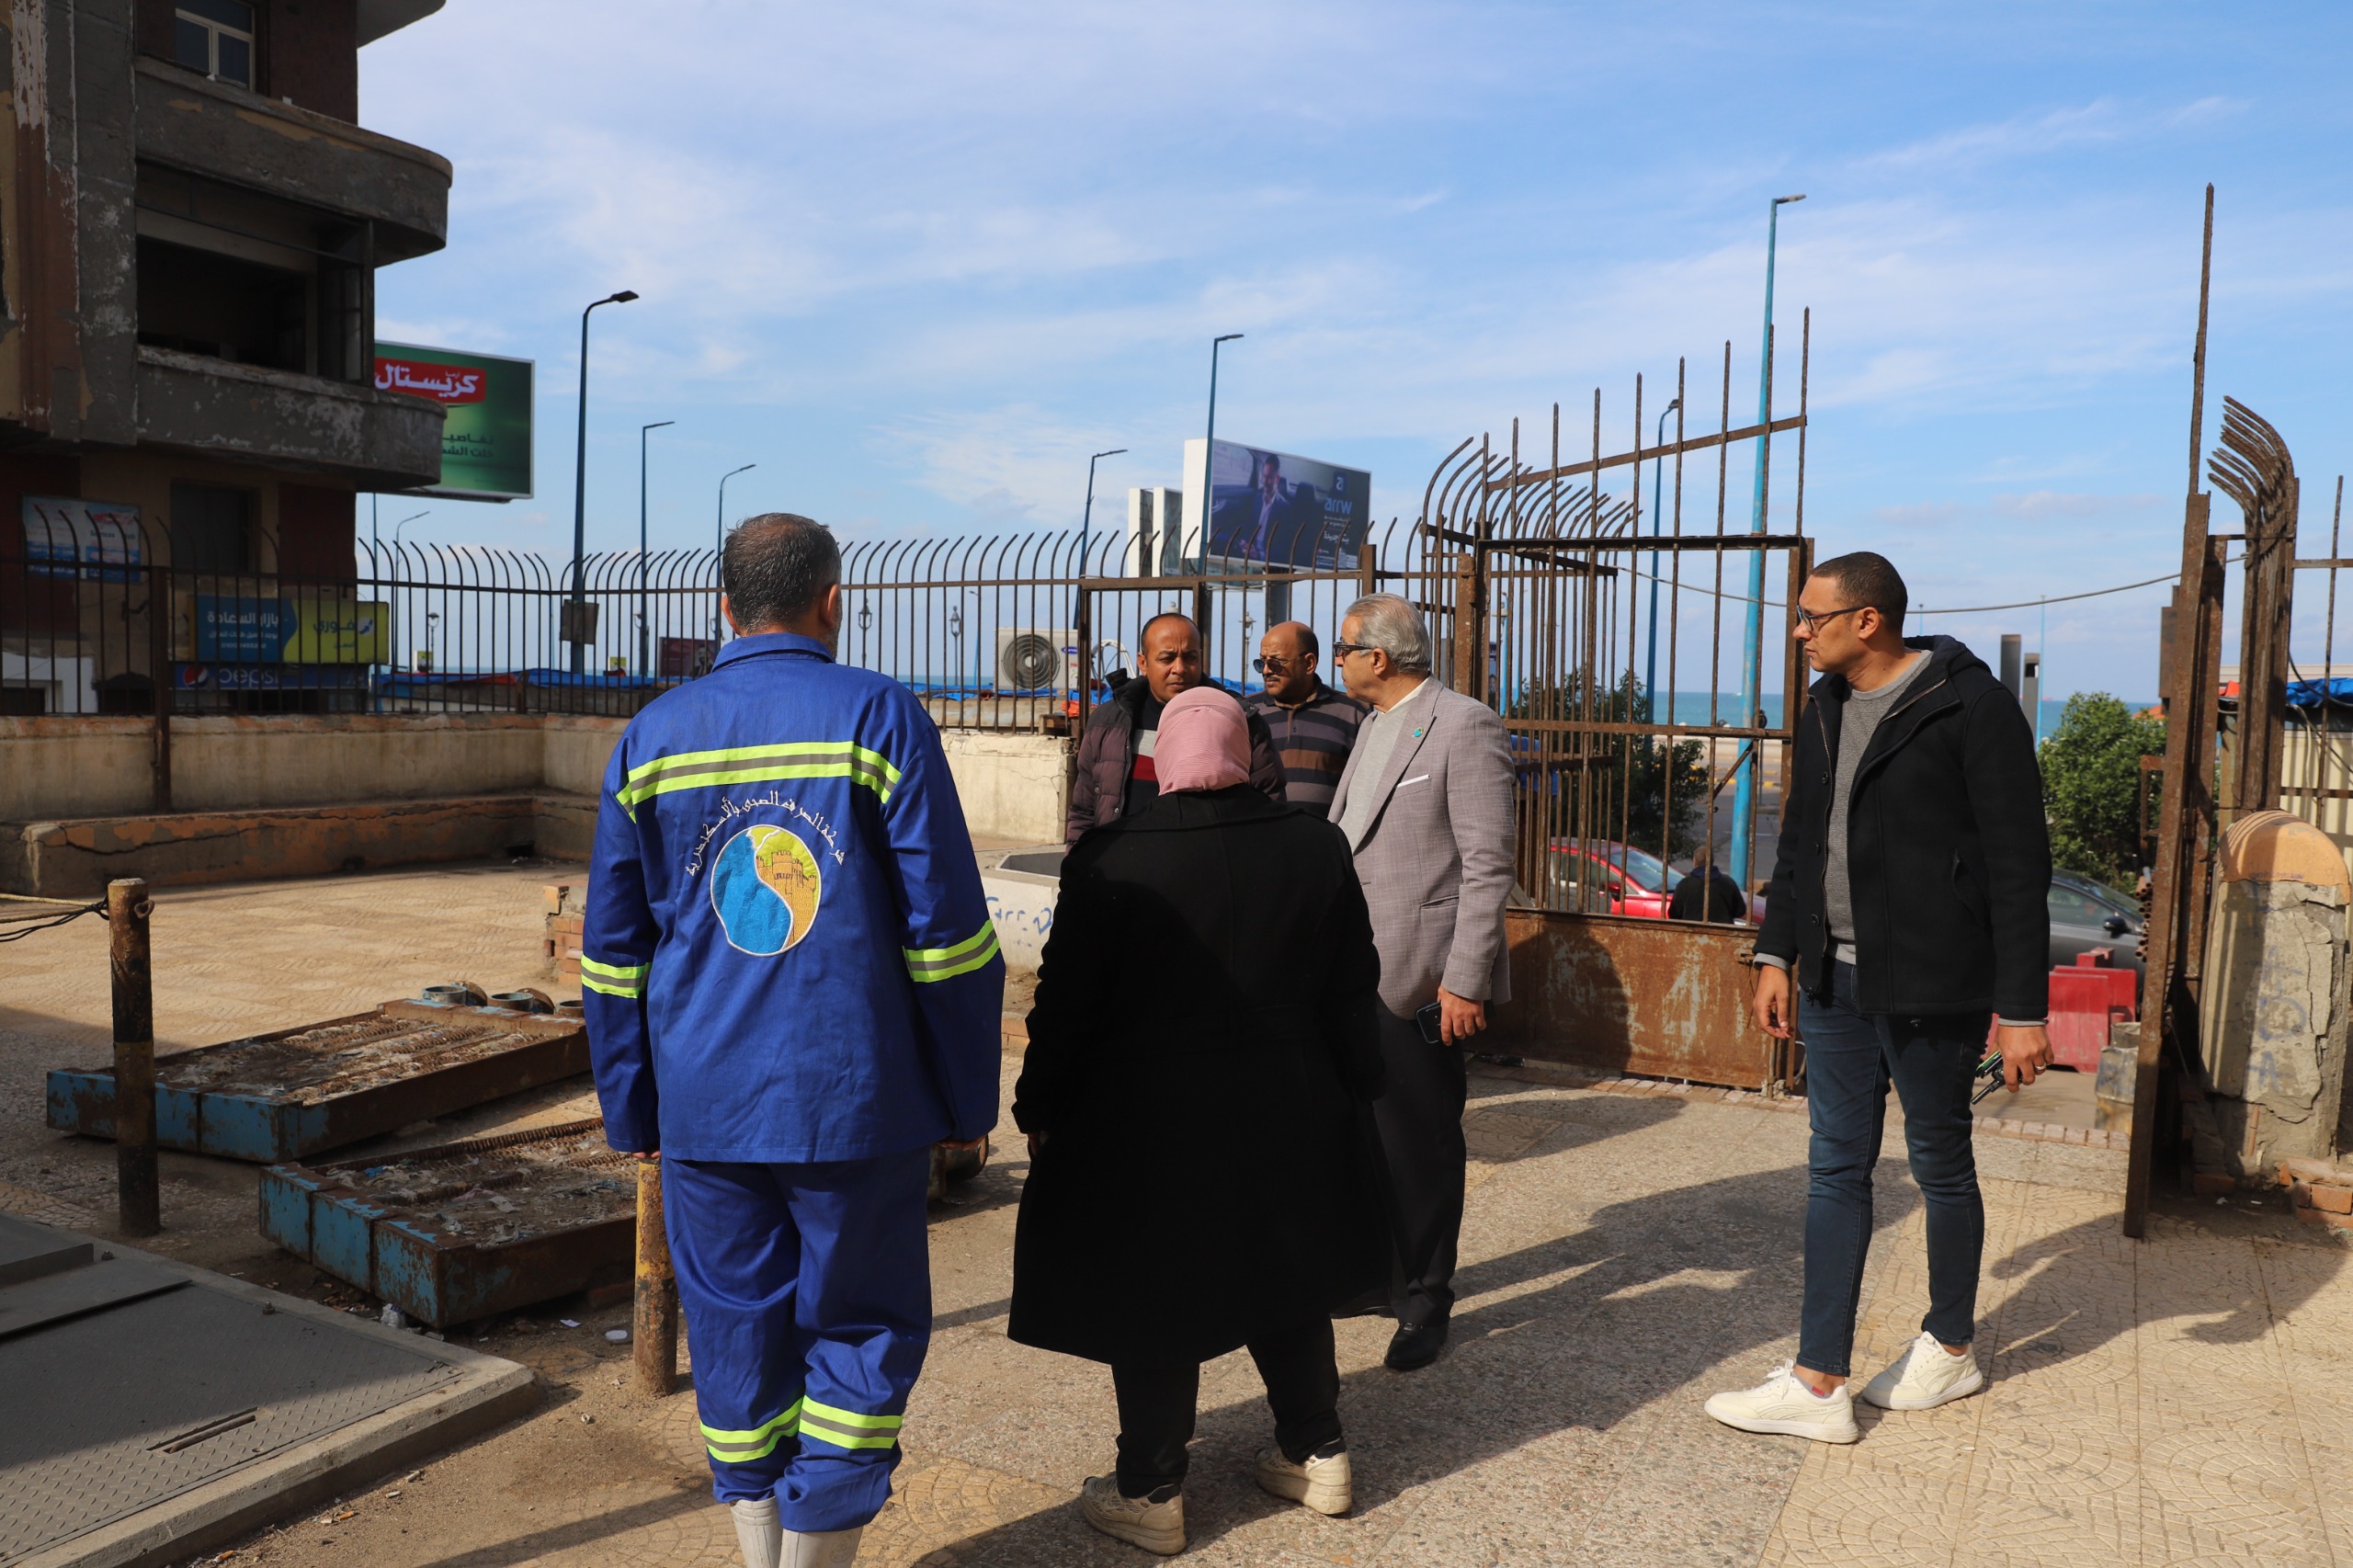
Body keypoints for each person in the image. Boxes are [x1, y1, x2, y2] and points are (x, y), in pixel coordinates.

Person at [582, 514, 1005, 1568]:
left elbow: (612, 955)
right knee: (860, 1329)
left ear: (723, 606)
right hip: (854, 1099)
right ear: (832, 600)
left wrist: (633, 1109)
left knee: (734, 1335)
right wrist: (965, 1097)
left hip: (704, 1107)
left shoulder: (650, 737)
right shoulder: (879, 715)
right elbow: (949, 936)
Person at [1010, 686, 1388, 1556]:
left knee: (1157, 1289)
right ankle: (1317, 1449)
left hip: (1150, 1112)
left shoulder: (1113, 856)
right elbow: (1351, 983)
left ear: (1165, 756)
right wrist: (1361, 1085)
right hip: (1291, 1097)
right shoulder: (1316, 844)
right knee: (1286, 1263)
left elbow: (1065, 1008)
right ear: (1245, 753)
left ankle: (1151, 1489)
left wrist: (1040, 1107)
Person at [1706, 551, 2051, 1446]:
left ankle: (1951, 1344)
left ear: (1867, 621)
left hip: (1935, 981)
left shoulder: (1970, 706)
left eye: (1810, 617)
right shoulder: (1823, 704)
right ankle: (1819, 1379)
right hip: (1832, 978)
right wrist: (1777, 952)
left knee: (1939, 1160)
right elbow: (1800, 841)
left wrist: (2023, 1010)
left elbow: (2019, 866)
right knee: (1834, 1165)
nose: (1797, 631)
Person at [1327, 593, 1515, 1372]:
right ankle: (1378, 1276)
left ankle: (1426, 1299)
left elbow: (1488, 865)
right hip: (1351, 972)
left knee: (1422, 1146)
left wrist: (1464, 982)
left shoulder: (1465, 725)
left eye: (1343, 647)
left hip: (1420, 978)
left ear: (1377, 657)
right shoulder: (1373, 724)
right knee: (1365, 1139)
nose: (1336, 660)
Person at [1066, 612, 1284, 843]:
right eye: (1167, 658)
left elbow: (1269, 807)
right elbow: (1084, 811)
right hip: (1120, 862)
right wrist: (1080, 859)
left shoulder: (1240, 721)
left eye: (1190, 657)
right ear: (1143, 663)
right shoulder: (1108, 722)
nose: (1179, 668)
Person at [1245, 620, 1369, 816]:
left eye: (1276, 663)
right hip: (1259, 832)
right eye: (1261, 663)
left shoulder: (1354, 713)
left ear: (1309, 663)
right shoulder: (1246, 713)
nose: (1266, 671)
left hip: (1330, 834)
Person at [1667, 847, 1747, 924]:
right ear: (1712, 861)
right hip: (1722, 931)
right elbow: (1740, 910)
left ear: (1694, 861)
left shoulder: (1684, 884)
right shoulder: (1728, 882)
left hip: (1692, 931)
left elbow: (1674, 913)